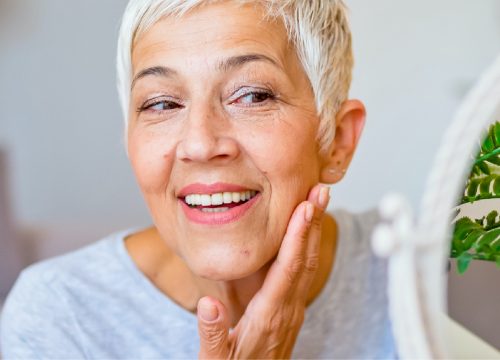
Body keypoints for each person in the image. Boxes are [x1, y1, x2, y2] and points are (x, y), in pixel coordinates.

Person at [0, 0, 396, 358]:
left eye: (253, 96)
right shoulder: (58, 314)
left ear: (338, 141)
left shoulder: (405, 272)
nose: (200, 144)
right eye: (161, 103)